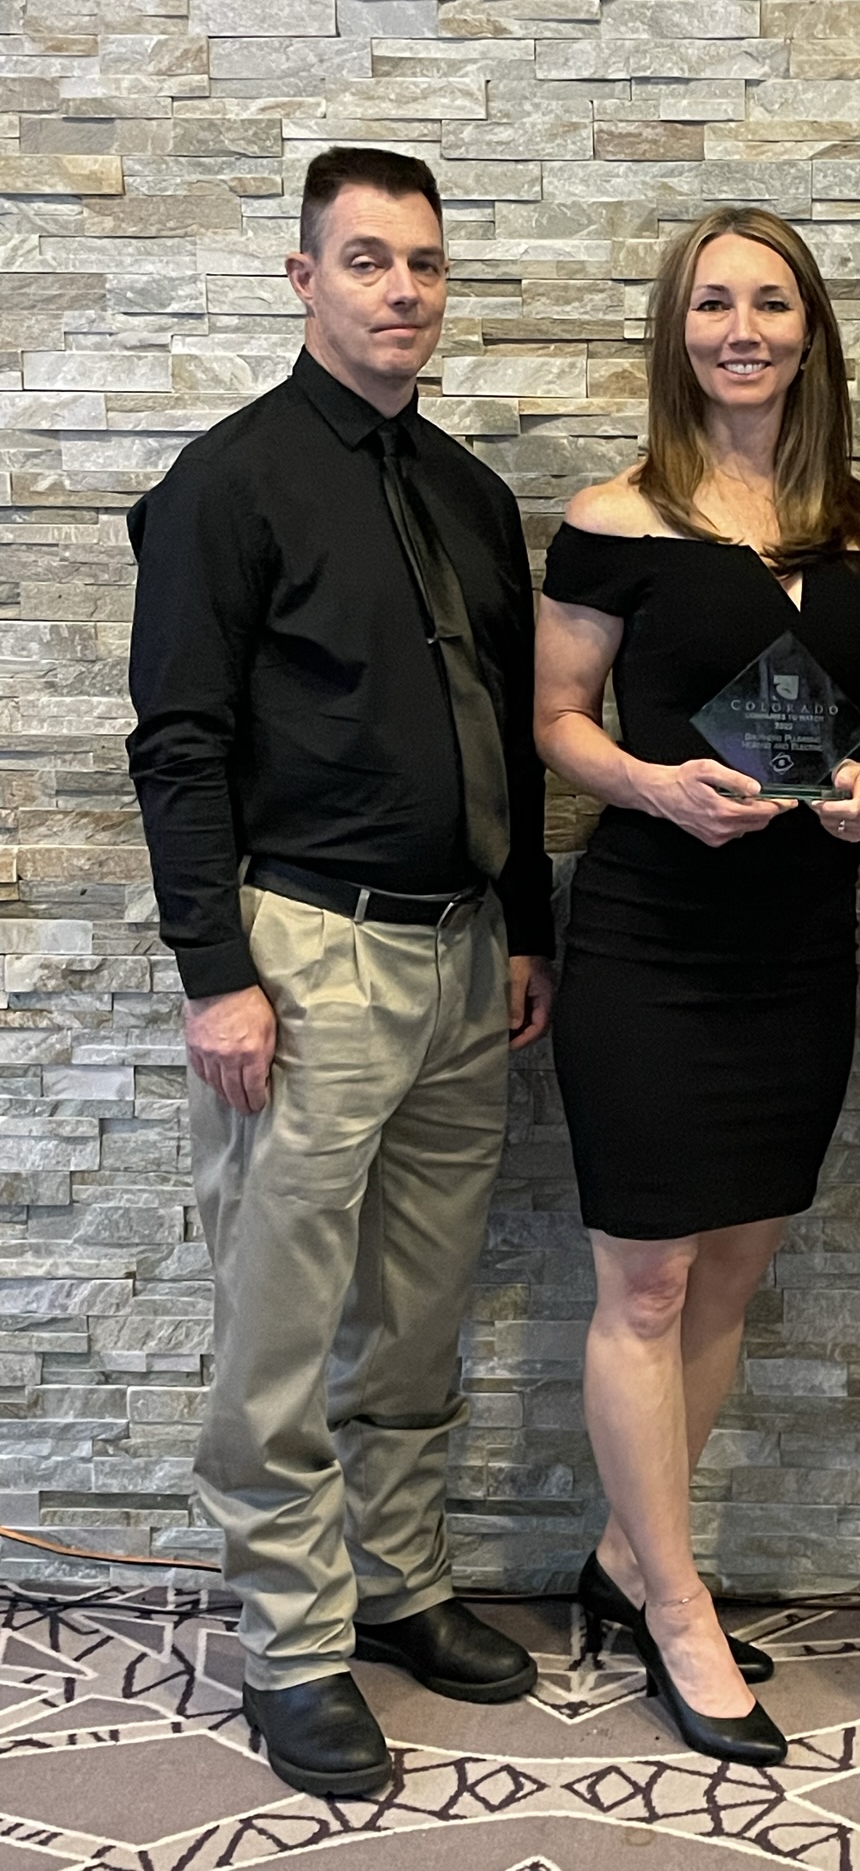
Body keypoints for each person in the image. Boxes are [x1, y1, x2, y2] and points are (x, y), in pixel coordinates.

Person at [126, 147, 555, 1799]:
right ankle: (295, 1647)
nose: (400, 290)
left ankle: (400, 1589)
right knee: (282, 1328)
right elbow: (179, 744)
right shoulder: (228, 484)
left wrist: (525, 925)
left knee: (418, 1317)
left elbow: (502, 738)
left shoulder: (468, 496)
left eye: (424, 264)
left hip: (459, 963)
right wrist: (214, 970)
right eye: (367, 260)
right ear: (302, 277)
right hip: (304, 955)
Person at [535, 207, 860, 1767]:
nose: (740, 328)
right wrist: (653, 787)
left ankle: (626, 1564)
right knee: (648, 1283)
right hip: (651, 944)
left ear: (811, 330)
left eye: (769, 303)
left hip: (796, 952)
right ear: (675, 332)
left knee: (736, 1272)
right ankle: (678, 1611)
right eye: (710, 304)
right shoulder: (611, 517)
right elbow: (554, 720)